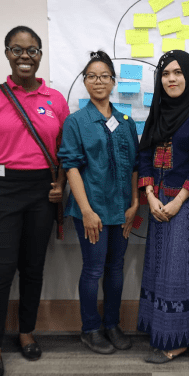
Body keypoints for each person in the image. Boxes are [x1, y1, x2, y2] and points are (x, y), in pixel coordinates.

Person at [0, 26, 69, 376]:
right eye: (17, 50)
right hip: (1, 189)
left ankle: (26, 331)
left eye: (32, 50)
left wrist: (60, 185)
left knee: (32, 267)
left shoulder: (55, 99)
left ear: (40, 55)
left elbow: (64, 151)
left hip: (42, 191)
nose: (25, 56)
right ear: (7, 54)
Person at [136, 50, 189, 363]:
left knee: (182, 270)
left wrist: (177, 202)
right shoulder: (157, 109)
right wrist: (150, 195)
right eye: (166, 73)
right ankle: (161, 329)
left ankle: (181, 339)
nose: (171, 79)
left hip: (188, 204)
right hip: (158, 202)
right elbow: (144, 154)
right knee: (162, 268)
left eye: (178, 73)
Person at [59, 50, 139, 354]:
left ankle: (112, 324)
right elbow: (71, 167)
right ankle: (90, 328)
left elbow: (135, 165)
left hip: (122, 209)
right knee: (93, 269)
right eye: (92, 76)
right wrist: (86, 211)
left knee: (116, 268)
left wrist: (134, 203)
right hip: (91, 209)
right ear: (84, 81)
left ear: (113, 81)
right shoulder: (76, 121)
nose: (99, 81)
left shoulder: (126, 121)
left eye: (105, 76)